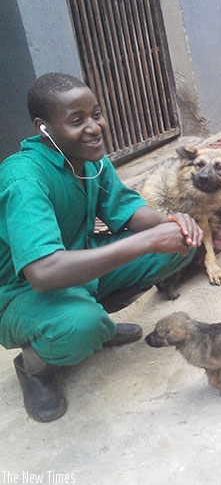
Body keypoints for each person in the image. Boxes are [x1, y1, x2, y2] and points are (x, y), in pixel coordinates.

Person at [0, 72, 204, 423]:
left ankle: (95, 327)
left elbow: (126, 209)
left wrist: (170, 224)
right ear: (43, 127)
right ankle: (35, 366)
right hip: (19, 294)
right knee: (79, 325)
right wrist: (147, 241)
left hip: (78, 270)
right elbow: (43, 272)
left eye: (96, 114)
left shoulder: (89, 159)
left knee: (177, 246)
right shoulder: (24, 179)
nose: (94, 127)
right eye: (77, 121)